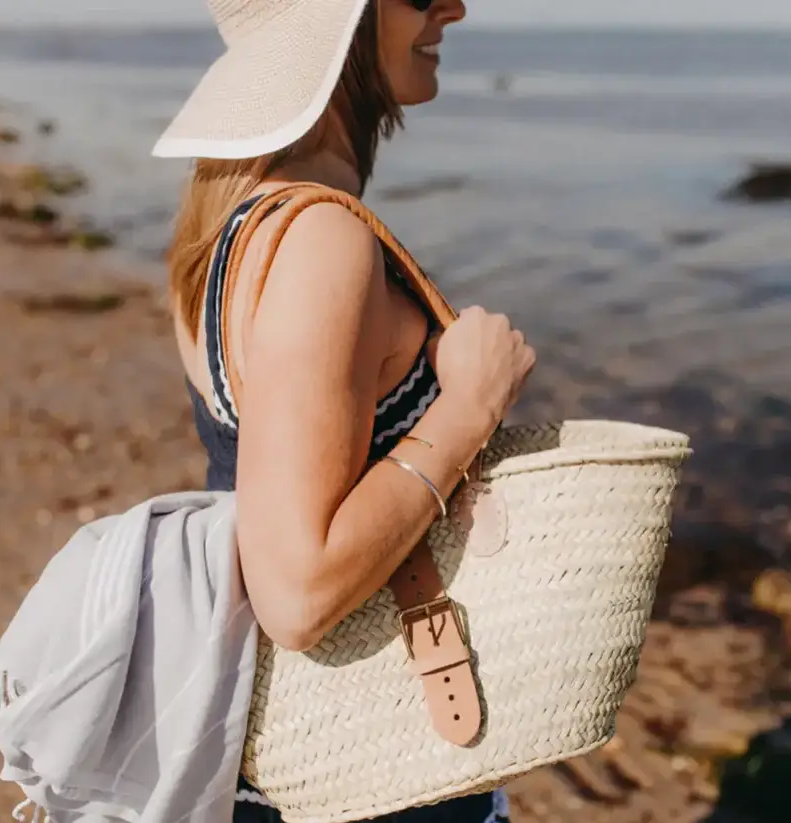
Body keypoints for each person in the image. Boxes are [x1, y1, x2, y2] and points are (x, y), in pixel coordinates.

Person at [155, 0, 535, 820]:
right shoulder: (321, 240)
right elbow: (296, 593)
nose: (454, 8)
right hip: (373, 772)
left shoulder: (228, 225)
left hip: (278, 743)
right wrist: (469, 405)